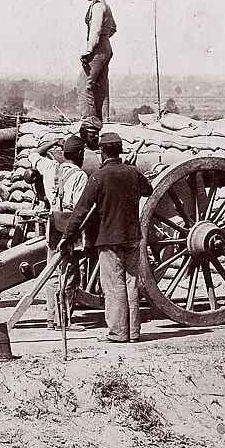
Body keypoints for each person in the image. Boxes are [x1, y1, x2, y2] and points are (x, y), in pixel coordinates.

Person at [60, 132, 152, 343]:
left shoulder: (98, 177)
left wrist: (67, 236)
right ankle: (134, 333)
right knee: (131, 284)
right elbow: (148, 191)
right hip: (132, 237)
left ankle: (118, 333)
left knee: (113, 286)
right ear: (119, 150)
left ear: (102, 152)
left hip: (108, 238)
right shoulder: (132, 172)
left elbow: (81, 211)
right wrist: (134, 170)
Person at [32, 135, 89, 329]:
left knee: (53, 273)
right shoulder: (80, 175)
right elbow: (81, 208)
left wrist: (51, 143)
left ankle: (51, 319)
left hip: (52, 225)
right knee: (70, 274)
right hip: (69, 227)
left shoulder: (50, 167)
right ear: (80, 154)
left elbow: (33, 155)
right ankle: (64, 320)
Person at [79, 0, 116, 122]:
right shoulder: (104, 6)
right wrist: (105, 37)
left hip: (98, 47)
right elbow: (113, 28)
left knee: (84, 85)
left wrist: (89, 50)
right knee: (101, 85)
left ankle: (88, 122)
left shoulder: (97, 7)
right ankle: (103, 120)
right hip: (106, 46)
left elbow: (95, 30)